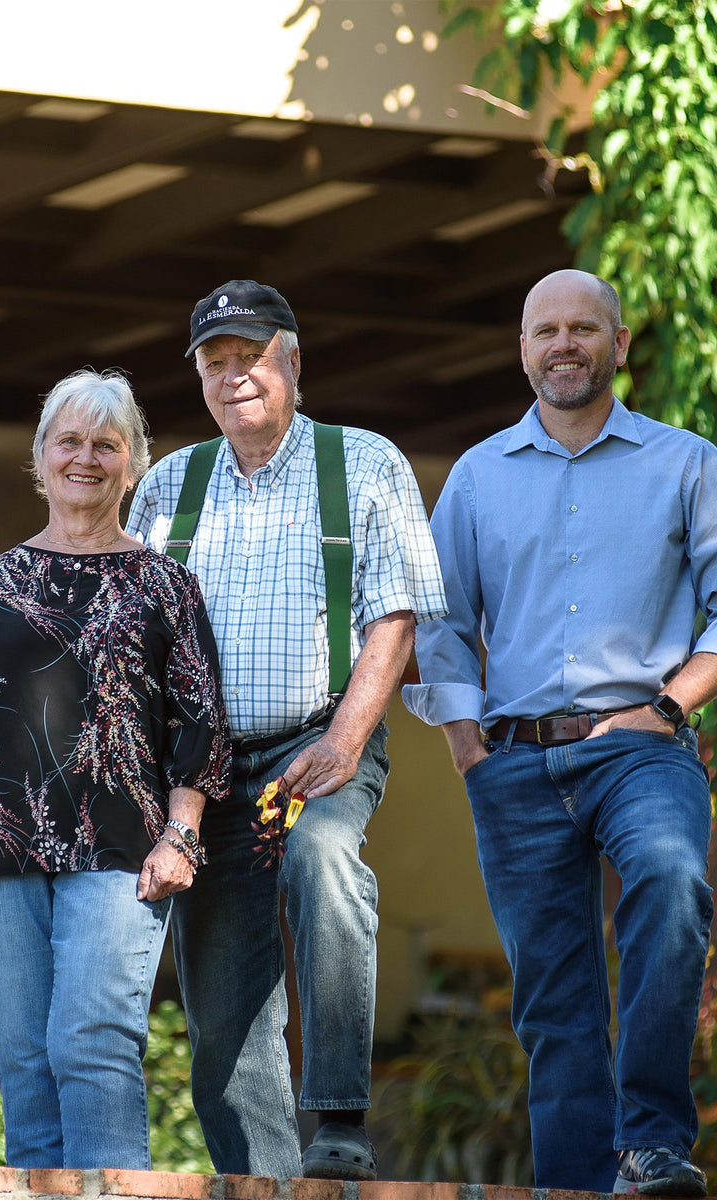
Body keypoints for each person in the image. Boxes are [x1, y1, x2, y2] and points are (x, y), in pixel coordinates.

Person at [402, 269, 717, 1196]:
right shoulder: (475, 476)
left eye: (585, 329)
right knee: (552, 998)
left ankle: (655, 1143)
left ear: (619, 345)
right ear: (525, 350)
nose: (565, 345)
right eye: (547, 332)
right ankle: (580, 1185)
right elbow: (441, 618)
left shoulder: (687, 463)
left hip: (643, 745)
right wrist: (466, 743)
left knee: (672, 880)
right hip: (516, 757)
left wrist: (670, 706)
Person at [127, 279, 447, 1180]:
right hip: (206, 771)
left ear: (293, 362)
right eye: (214, 362)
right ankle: (263, 1182)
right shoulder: (168, 485)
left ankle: (339, 1122)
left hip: (323, 738)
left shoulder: (367, 463)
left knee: (323, 864)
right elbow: (136, 640)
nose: (235, 377)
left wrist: (346, 741)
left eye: (251, 357)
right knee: (224, 1019)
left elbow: (396, 616)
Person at [0, 367, 230, 1170]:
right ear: (41, 455)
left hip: (123, 850)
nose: (84, 459)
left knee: (93, 1044)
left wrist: (181, 834)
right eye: (68, 441)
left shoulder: (166, 585)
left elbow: (200, 725)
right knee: (24, 1061)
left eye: (105, 445)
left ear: (132, 462)